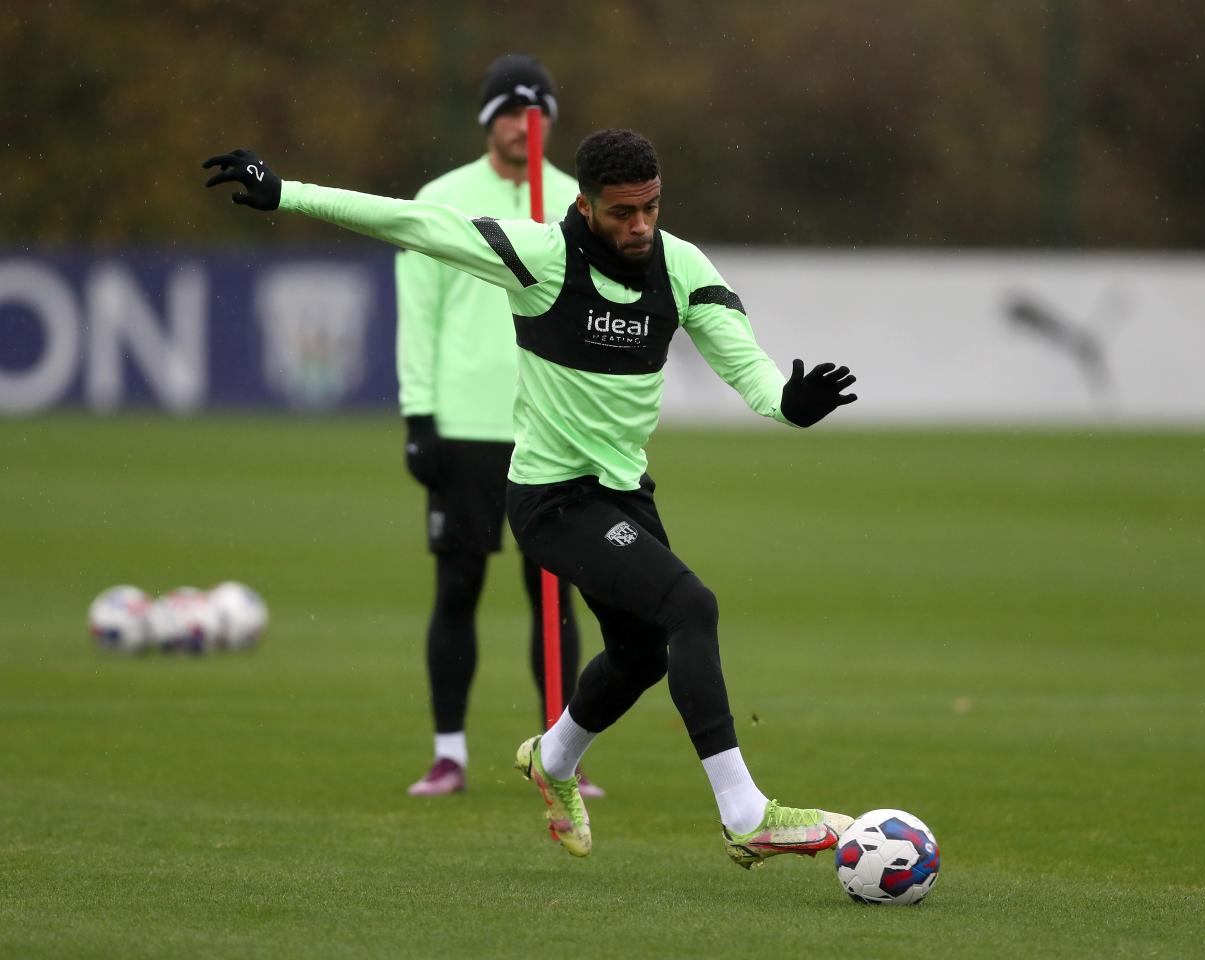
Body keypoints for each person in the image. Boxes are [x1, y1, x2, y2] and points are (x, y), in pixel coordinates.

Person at [203, 128, 859, 868]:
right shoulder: (540, 257)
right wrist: (288, 193)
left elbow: (749, 366)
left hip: (623, 493)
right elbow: (414, 223)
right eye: (621, 213)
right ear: (584, 206)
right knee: (691, 606)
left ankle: (551, 760)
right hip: (550, 499)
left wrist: (788, 403)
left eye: (649, 207)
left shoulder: (680, 267)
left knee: (642, 653)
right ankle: (745, 814)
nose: (639, 225)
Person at [396, 54, 599, 799]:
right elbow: (419, 319)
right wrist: (419, 415)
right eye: (509, 113)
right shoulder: (443, 199)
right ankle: (449, 753)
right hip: (465, 425)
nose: (523, 127)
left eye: (535, 111)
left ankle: (562, 756)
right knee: (458, 585)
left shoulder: (581, 202)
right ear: (489, 121)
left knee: (557, 591)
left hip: (549, 427)